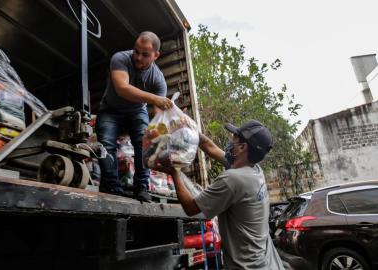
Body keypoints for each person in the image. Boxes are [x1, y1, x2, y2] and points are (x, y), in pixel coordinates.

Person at [161, 120, 286, 269]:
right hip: (267, 263)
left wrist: (174, 172)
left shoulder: (233, 180)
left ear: (242, 147)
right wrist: (187, 128)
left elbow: (190, 207)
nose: (231, 141)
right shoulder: (254, 170)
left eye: (235, 138)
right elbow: (210, 147)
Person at [96, 31, 173, 202]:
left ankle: (142, 187)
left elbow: (157, 116)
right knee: (106, 144)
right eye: (136, 51)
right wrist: (153, 98)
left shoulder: (158, 79)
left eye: (145, 54)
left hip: (137, 111)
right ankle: (111, 186)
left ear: (156, 55)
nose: (138, 57)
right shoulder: (120, 58)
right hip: (110, 109)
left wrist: (156, 131)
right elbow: (122, 89)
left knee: (145, 142)